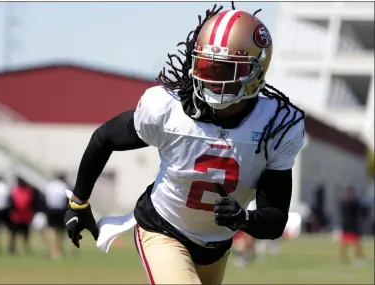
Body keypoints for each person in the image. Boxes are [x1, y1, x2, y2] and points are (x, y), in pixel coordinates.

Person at [64, 3, 305, 284]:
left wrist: (244, 219)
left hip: (217, 247)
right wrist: (78, 202)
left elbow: (275, 219)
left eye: (226, 70)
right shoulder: (168, 110)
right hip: (163, 228)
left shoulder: (274, 126)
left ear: (256, 71)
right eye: (207, 66)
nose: (214, 81)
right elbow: (105, 137)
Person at [8, 177, 36, 254]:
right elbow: (30, 204)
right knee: (25, 235)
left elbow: (12, 203)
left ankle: (12, 248)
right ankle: (25, 248)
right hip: (25, 216)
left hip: (17, 216)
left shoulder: (14, 191)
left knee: (14, 234)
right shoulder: (28, 192)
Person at [44, 172, 69, 259]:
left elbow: (45, 198)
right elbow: (66, 199)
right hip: (60, 210)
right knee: (60, 231)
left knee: (51, 228)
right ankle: (56, 250)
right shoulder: (63, 186)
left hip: (50, 209)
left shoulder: (50, 185)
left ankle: (49, 247)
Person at [339, 187, 366, 264]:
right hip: (346, 227)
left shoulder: (354, 204)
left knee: (356, 243)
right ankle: (343, 257)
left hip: (353, 227)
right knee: (344, 244)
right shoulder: (343, 204)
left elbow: (358, 214)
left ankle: (360, 257)